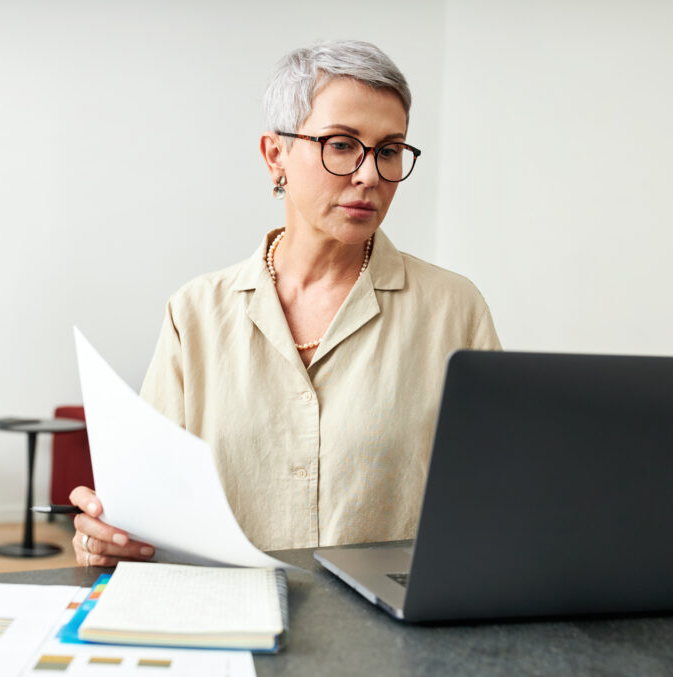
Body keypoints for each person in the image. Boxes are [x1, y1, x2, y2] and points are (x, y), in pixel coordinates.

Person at [70, 40, 501, 567]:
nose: (370, 175)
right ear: (276, 155)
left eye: (389, 150)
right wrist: (110, 537)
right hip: (222, 619)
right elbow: (145, 512)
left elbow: (498, 498)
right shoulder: (196, 312)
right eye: (342, 144)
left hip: (390, 637)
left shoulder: (453, 309)